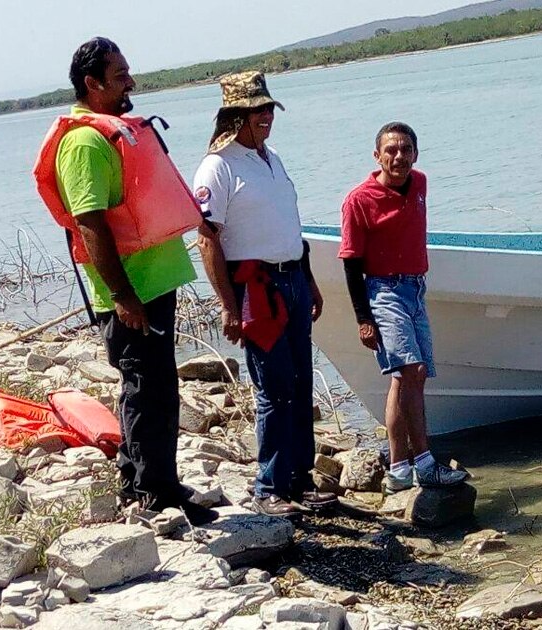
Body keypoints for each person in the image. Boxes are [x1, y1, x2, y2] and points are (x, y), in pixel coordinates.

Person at [33, 37, 217, 524]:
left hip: (151, 283)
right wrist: (121, 295)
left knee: (152, 385)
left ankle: (143, 480)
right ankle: (157, 493)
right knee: (147, 387)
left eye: (128, 72)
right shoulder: (84, 143)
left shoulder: (111, 132)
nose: (130, 82)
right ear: (92, 85)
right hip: (131, 291)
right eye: (119, 77)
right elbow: (89, 222)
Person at [193, 71, 336, 517]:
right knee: (273, 387)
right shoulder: (218, 166)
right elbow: (207, 238)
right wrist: (228, 307)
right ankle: (268, 486)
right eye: (258, 111)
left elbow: (287, 225)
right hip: (256, 287)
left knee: (299, 381)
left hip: (292, 277)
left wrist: (308, 277)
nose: (267, 118)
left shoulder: (271, 158)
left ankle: (299, 479)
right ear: (236, 115)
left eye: (269, 109)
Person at [339, 122, 469, 494]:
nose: (399, 157)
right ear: (377, 155)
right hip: (383, 290)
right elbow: (350, 263)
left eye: (406, 149)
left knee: (409, 376)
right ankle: (426, 465)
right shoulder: (358, 200)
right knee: (412, 369)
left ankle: (398, 470)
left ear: (416, 153)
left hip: (415, 288)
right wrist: (363, 319)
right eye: (391, 150)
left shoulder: (421, 184)